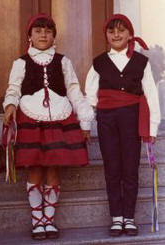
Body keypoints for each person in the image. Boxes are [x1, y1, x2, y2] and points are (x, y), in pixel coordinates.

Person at [3, 13, 94, 240]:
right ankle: (37, 220)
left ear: (54, 36)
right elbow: (13, 88)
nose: (43, 35)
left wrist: (84, 120)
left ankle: (49, 220)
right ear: (30, 36)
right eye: (38, 31)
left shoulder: (63, 61)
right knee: (35, 167)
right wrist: (10, 106)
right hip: (31, 118)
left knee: (54, 167)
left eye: (48, 31)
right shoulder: (21, 62)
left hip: (59, 119)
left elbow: (74, 90)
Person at [85, 14, 160, 236]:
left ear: (129, 34)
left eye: (121, 30)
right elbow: (90, 96)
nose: (116, 35)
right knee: (112, 168)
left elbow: (151, 95)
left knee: (130, 167)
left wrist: (152, 128)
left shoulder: (141, 62)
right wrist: (85, 125)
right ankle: (116, 217)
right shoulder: (98, 62)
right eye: (111, 31)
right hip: (107, 120)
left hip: (131, 119)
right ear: (106, 36)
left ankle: (129, 217)